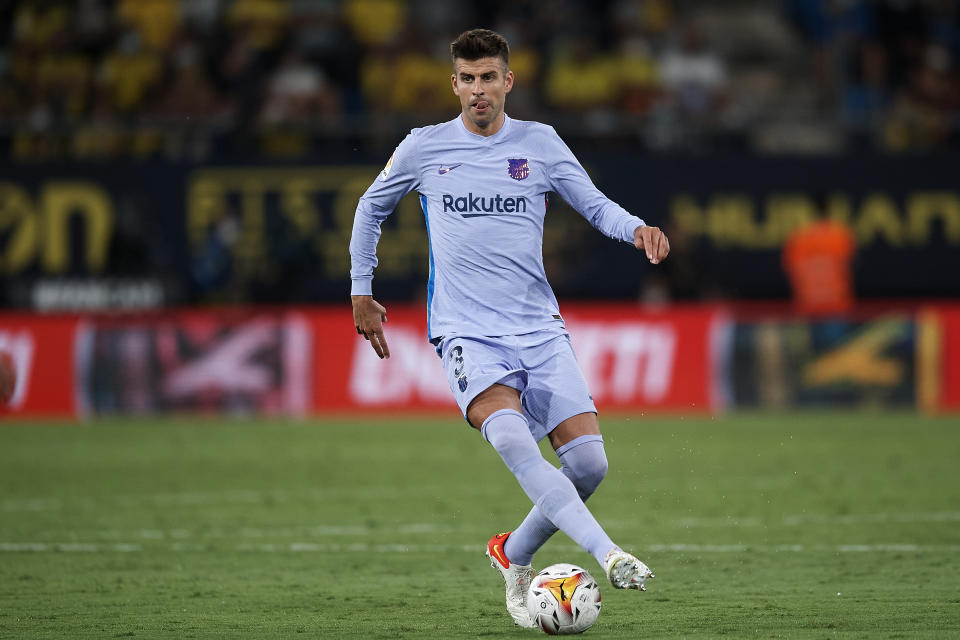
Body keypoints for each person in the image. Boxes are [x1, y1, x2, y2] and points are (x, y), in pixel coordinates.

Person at [349, 28, 670, 628]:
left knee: (590, 467)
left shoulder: (540, 144)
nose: (478, 90)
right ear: (454, 84)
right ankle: (610, 554)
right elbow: (371, 208)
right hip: (466, 332)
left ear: (507, 82)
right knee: (518, 445)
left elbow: (594, 203)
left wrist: (637, 229)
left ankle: (512, 552)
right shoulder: (423, 147)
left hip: (538, 329)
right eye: (467, 79)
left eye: (488, 78)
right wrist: (361, 291)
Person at [782, 197, 857, 316]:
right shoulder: (840, 235)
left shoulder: (799, 237)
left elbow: (791, 270)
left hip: (809, 302)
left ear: (811, 212)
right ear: (829, 211)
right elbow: (850, 266)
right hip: (835, 302)